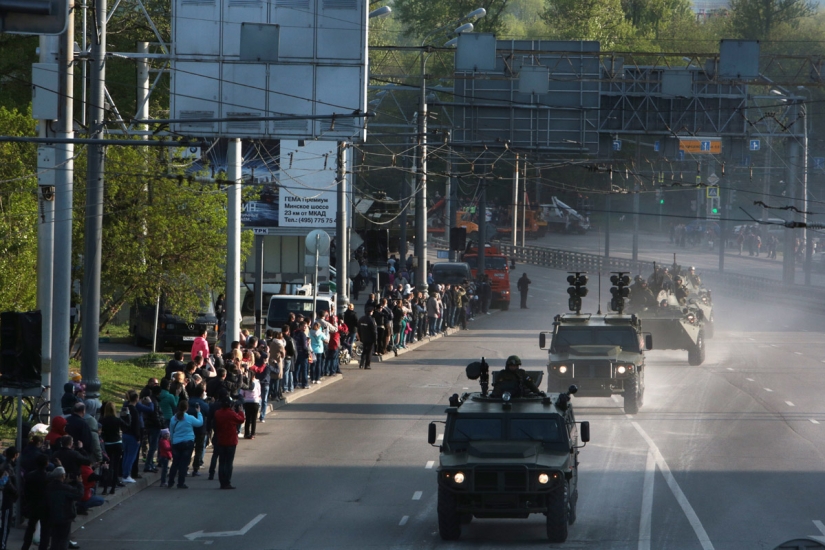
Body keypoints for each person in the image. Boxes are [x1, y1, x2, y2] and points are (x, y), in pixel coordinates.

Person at [42, 467, 82, 550]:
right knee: (64, 540)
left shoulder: (49, 487)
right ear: (63, 475)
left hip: (52, 516)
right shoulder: (65, 488)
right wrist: (80, 483)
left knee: (55, 539)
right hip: (65, 517)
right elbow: (79, 495)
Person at [167, 399, 203, 489]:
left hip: (176, 442)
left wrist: (172, 441)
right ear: (187, 408)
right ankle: (181, 482)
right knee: (184, 463)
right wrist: (199, 413)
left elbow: (171, 432)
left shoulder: (173, 418)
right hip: (187, 442)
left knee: (175, 463)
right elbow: (200, 423)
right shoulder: (189, 418)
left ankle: (170, 481)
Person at [213, 397, 244, 489]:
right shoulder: (231, 414)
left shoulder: (217, 413)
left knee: (222, 462)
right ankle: (227, 481)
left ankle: (222, 482)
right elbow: (241, 419)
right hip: (230, 440)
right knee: (229, 463)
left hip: (221, 440)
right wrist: (240, 411)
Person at [99, 401, 128, 494]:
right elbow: (127, 425)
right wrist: (127, 415)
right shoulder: (117, 419)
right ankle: (113, 488)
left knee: (107, 466)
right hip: (117, 443)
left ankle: (105, 488)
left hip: (107, 444)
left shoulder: (102, 420)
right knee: (116, 466)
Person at [21, 453, 49, 550]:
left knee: (30, 527)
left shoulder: (30, 475)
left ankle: (25, 546)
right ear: (46, 463)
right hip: (44, 506)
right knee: (45, 530)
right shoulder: (48, 477)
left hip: (33, 504)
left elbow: (26, 491)